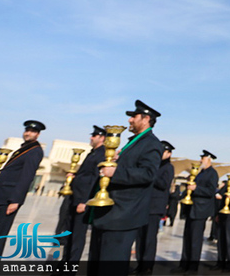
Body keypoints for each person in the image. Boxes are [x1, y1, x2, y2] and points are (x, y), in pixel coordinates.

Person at [87, 101, 163, 276]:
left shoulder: (151, 143)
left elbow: (148, 174)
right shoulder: (133, 142)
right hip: (111, 214)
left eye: (133, 116)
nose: (129, 120)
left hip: (124, 215)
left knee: (110, 267)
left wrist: (116, 171)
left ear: (146, 119)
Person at [0, 120, 46, 267]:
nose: (28, 133)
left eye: (32, 131)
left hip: (8, 199)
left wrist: (15, 200)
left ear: (38, 134)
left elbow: (26, 177)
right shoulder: (23, 149)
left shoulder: (35, 151)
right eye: (27, 130)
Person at [59, 125, 107, 264]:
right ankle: (64, 264)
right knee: (69, 233)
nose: (91, 137)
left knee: (77, 237)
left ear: (101, 138)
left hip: (82, 200)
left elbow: (94, 180)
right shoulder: (92, 152)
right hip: (74, 197)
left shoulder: (101, 154)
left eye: (94, 135)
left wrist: (84, 201)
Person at [134, 140, 175, 274]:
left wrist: (150, 176)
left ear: (168, 154)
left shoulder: (168, 167)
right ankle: (139, 264)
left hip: (155, 206)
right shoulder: (154, 165)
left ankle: (147, 266)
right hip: (144, 205)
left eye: (163, 151)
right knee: (140, 237)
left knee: (150, 238)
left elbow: (164, 184)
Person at [177, 150, 219, 272]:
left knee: (195, 239)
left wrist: (196, 188)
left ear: (209, 159)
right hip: (192, 209)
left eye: (203, 158)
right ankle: (183, 264)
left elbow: (211, 191)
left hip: (201, 210)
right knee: (187, 237)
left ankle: (193, 267)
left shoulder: (212, 173)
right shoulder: (200, 173)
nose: (201, 161)